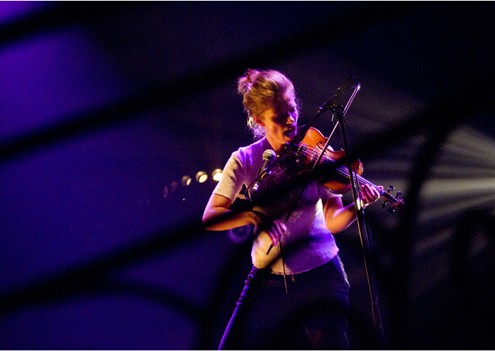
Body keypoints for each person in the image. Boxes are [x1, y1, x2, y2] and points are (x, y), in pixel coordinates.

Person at [202, 68, 382, 349]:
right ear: (259, 120)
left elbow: (333, 220)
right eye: (279, 116)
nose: (290, 121)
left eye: (293, 110)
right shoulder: (245, 160)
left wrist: (358, 204)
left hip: (322, 274)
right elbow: (210, 217)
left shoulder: (316, 150)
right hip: (267, 279)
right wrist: (252, 215)